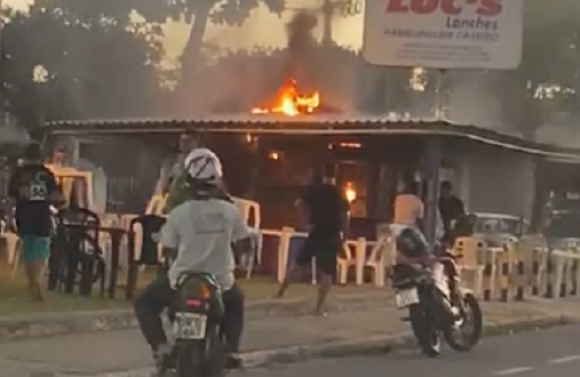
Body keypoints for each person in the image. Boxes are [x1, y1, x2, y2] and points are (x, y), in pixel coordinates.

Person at [134, 148, 251, 371]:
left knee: (144, 302)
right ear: (216, 179)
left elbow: (168, 249)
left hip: (182, 281)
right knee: (236, 302)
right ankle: (232, 351)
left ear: (188, 180)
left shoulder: (179, 213)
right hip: (220, 281)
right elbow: (244, 244)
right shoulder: (230, 212)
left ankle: (161, 349)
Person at [274, 163, 349, 316]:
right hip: (331, 234)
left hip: (315, 231)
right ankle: (318, 308)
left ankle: (281, 291)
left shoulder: (315, 190)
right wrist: (344, 238)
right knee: (327, 273)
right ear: (336, 173)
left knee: (299, 264)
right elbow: (344, 217)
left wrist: (305, 223)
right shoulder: (339, 193)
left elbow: (299, 204)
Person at [7, 142, 63, 301]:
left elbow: (11, 199)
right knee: (42, 251)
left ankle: (33, 283)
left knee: (29, 251)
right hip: (42, 215)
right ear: (41, 156)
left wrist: (10, 218)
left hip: (23, 215)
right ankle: (37, 282)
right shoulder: (46, 174)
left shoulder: (17, 174)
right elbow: (56, 196)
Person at [438, 181, 467, 247]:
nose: (443, 193)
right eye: (442, 190)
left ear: (450, 190)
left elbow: (461, 216)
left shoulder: (457, 202)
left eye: (445, 190)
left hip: (454, 230)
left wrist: (454, 222)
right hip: (441, 229)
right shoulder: (439, 202)